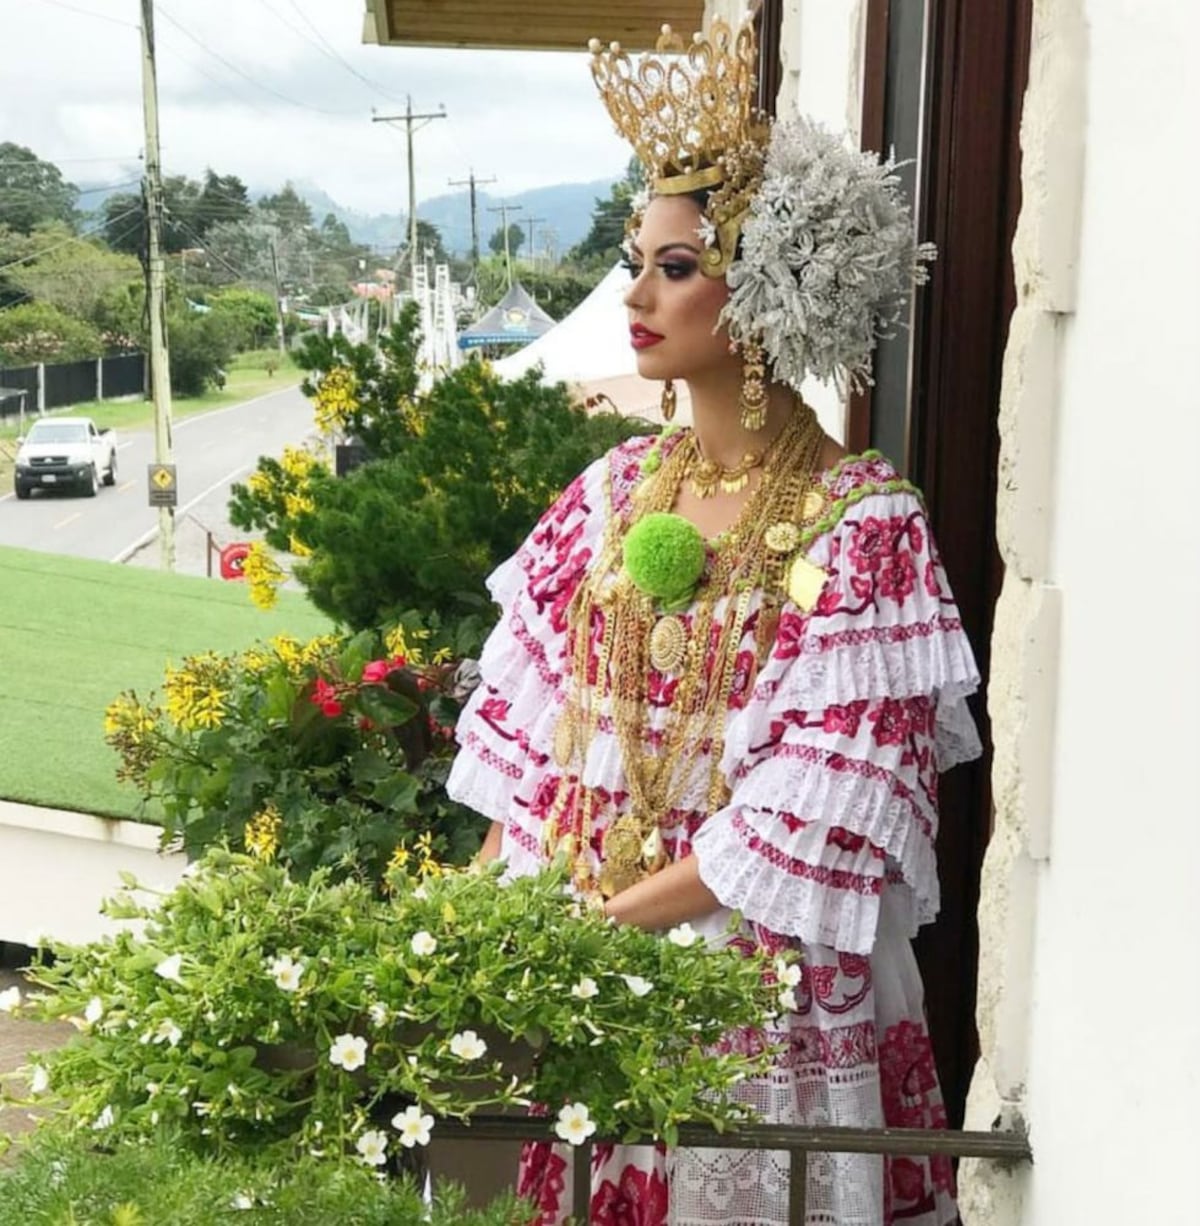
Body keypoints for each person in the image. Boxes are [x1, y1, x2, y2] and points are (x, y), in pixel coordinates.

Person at [447, 17, 980, 1226]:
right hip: (598, 961)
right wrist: (469, 926)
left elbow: (816, 815)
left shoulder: (861, 527)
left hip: (756, 986)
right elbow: (538, 744)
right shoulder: (610, 493)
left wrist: (597, 926)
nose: (635, 293)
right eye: (637, 259)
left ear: (773, 282)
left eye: (676, 266)